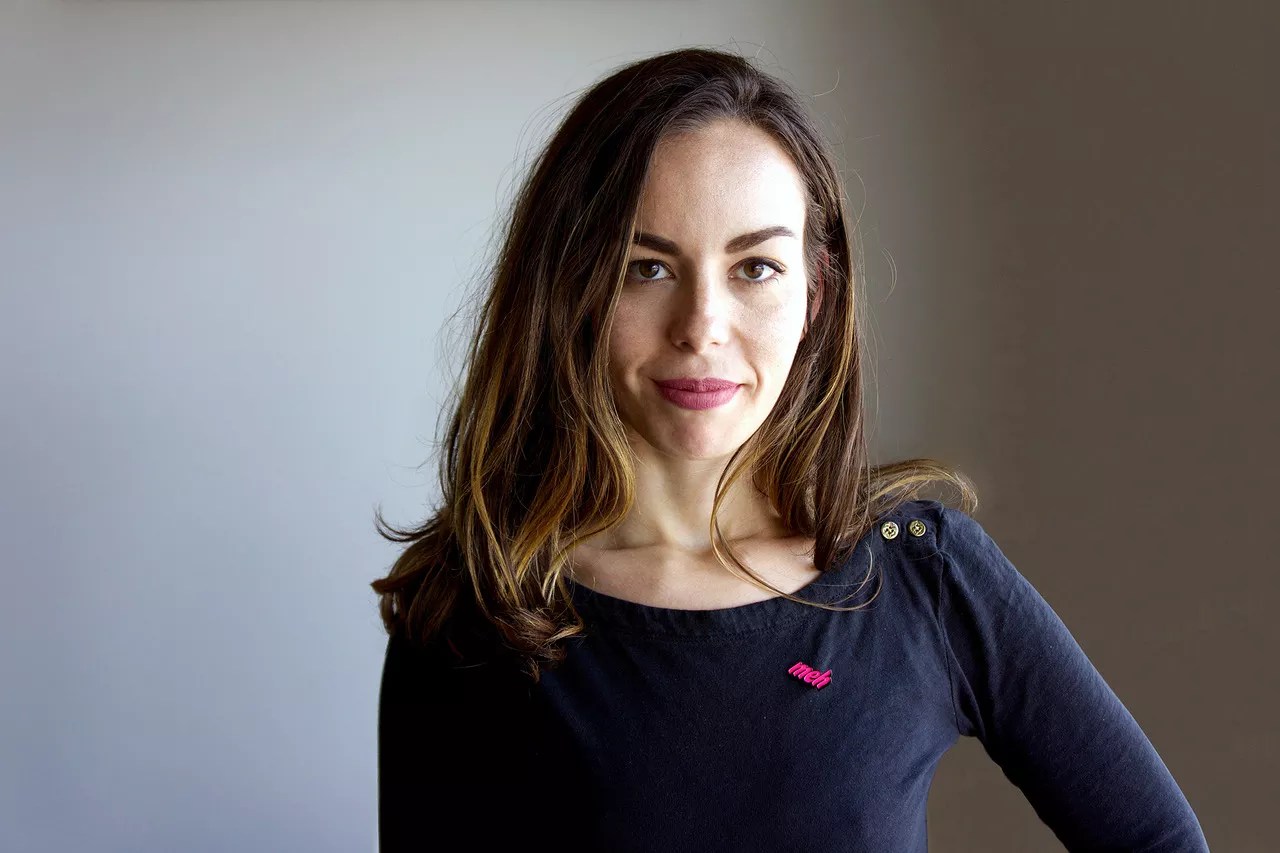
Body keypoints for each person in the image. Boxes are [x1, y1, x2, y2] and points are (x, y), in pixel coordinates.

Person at [371, 46, 1208, 852]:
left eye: (755, 268)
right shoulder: (472, 610)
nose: (702, 327)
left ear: (816, 293)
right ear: (569, 292)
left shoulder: (925, 573)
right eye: (645, 267)